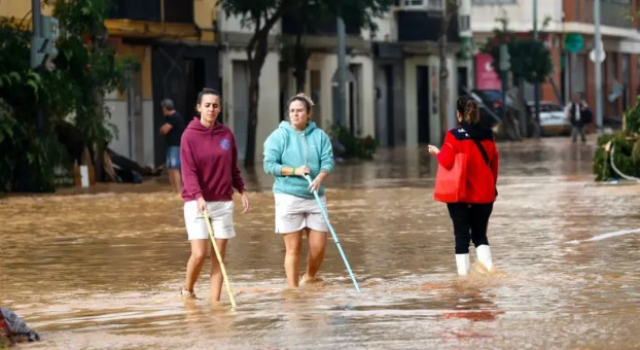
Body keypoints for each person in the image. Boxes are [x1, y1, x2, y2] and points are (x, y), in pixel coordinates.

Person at [179, 88, 250, 301]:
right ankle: (188, 290)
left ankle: (215, 303)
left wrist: (242, 190)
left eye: (215, 105)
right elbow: (188, 172)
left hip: (223, 202)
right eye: (207, 105)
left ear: (220, 108)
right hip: (196, 202)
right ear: (199, 107)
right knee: (199, 253)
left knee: (218, 256)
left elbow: (233, 167)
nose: (211, 109)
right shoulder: (188, 136)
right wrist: (199, 196)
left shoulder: (226, 135)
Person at [263, 93, 335, 289]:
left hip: (315, 197)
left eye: (300, 111)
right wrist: (294, 170)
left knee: (318, 248)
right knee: (293, 248)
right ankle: (293, 290)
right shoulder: (278, 136)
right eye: (292, 111)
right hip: (288, 196)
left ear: (309, 113)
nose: (295, 114)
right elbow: (269, 165)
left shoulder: (320, 136)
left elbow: (328, 161)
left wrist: (320, 177)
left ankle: (309, 276)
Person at [428, 96, 499, 276]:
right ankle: (489, 274)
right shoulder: (488, 135)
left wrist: (436, 151)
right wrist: (492, 188)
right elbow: (494, 164)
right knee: (480, 235)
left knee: (461, 236)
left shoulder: (454, 135)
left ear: (458, 114)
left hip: (460, 195)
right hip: (485, 195)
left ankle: (464, 282)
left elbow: (446, 161)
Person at [159, 99, 186, 193]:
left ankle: (179, 190)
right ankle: (174, 189)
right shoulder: (169, 118)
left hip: (176, 145)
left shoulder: (175, 117)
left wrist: (163, 129)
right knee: (170, 168)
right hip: (171, 145)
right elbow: (162, 130)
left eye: (163, 108)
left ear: (166, 108)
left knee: (175, 168)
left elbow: (164, 130)